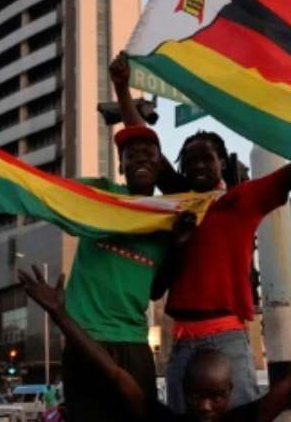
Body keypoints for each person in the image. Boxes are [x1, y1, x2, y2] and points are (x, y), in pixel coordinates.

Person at [110, 53, 291, 412]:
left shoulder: (242, 200)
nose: (198, 165)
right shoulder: (180, 200)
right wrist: (122, 88)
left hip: (228, 341)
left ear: (223, 162)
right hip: (181, 341)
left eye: (206, 158)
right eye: (189, 161)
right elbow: (142, 147)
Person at [17, 264, 291, 422]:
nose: (205, 407)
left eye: (216, 396)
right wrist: (61, 316)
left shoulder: (245, 418)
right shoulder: (164, 419)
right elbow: (113, 373)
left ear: (230, 392)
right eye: (197, 396)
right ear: (182, 391)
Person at [61, 120, 196, 422]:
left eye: (149, 153)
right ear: (120, 167)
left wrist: (178, 245)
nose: (140, 158)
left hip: (135, 344)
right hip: (86, 338)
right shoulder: (101, 193)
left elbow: (155, 291)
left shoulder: (168, 220)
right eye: (131, 154)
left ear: (160, 167)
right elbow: (54, 193)